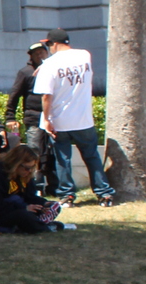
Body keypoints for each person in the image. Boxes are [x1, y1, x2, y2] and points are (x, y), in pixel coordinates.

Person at [33, 29, 116, 207]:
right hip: (83, 119)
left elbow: (46, 96)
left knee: (63, 160)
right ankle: (104, 193)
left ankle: (67, 195)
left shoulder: (49, 65)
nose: (49, 48)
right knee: (92, 157)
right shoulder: (84, 55)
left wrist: (46, 119)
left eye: (49, 45)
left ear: (55, 44)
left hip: (59, 120)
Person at [6, 40, 53, 194]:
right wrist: (10, 116)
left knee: (53, 152)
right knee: (34, 151)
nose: (40, 55)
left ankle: (54, 186)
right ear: (31, 56)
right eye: (36, 53)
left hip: (53, 118)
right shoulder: (25, 72)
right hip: (34, 118)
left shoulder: (54, 69)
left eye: (42, 52)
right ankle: (35, 186)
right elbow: (14, 95)